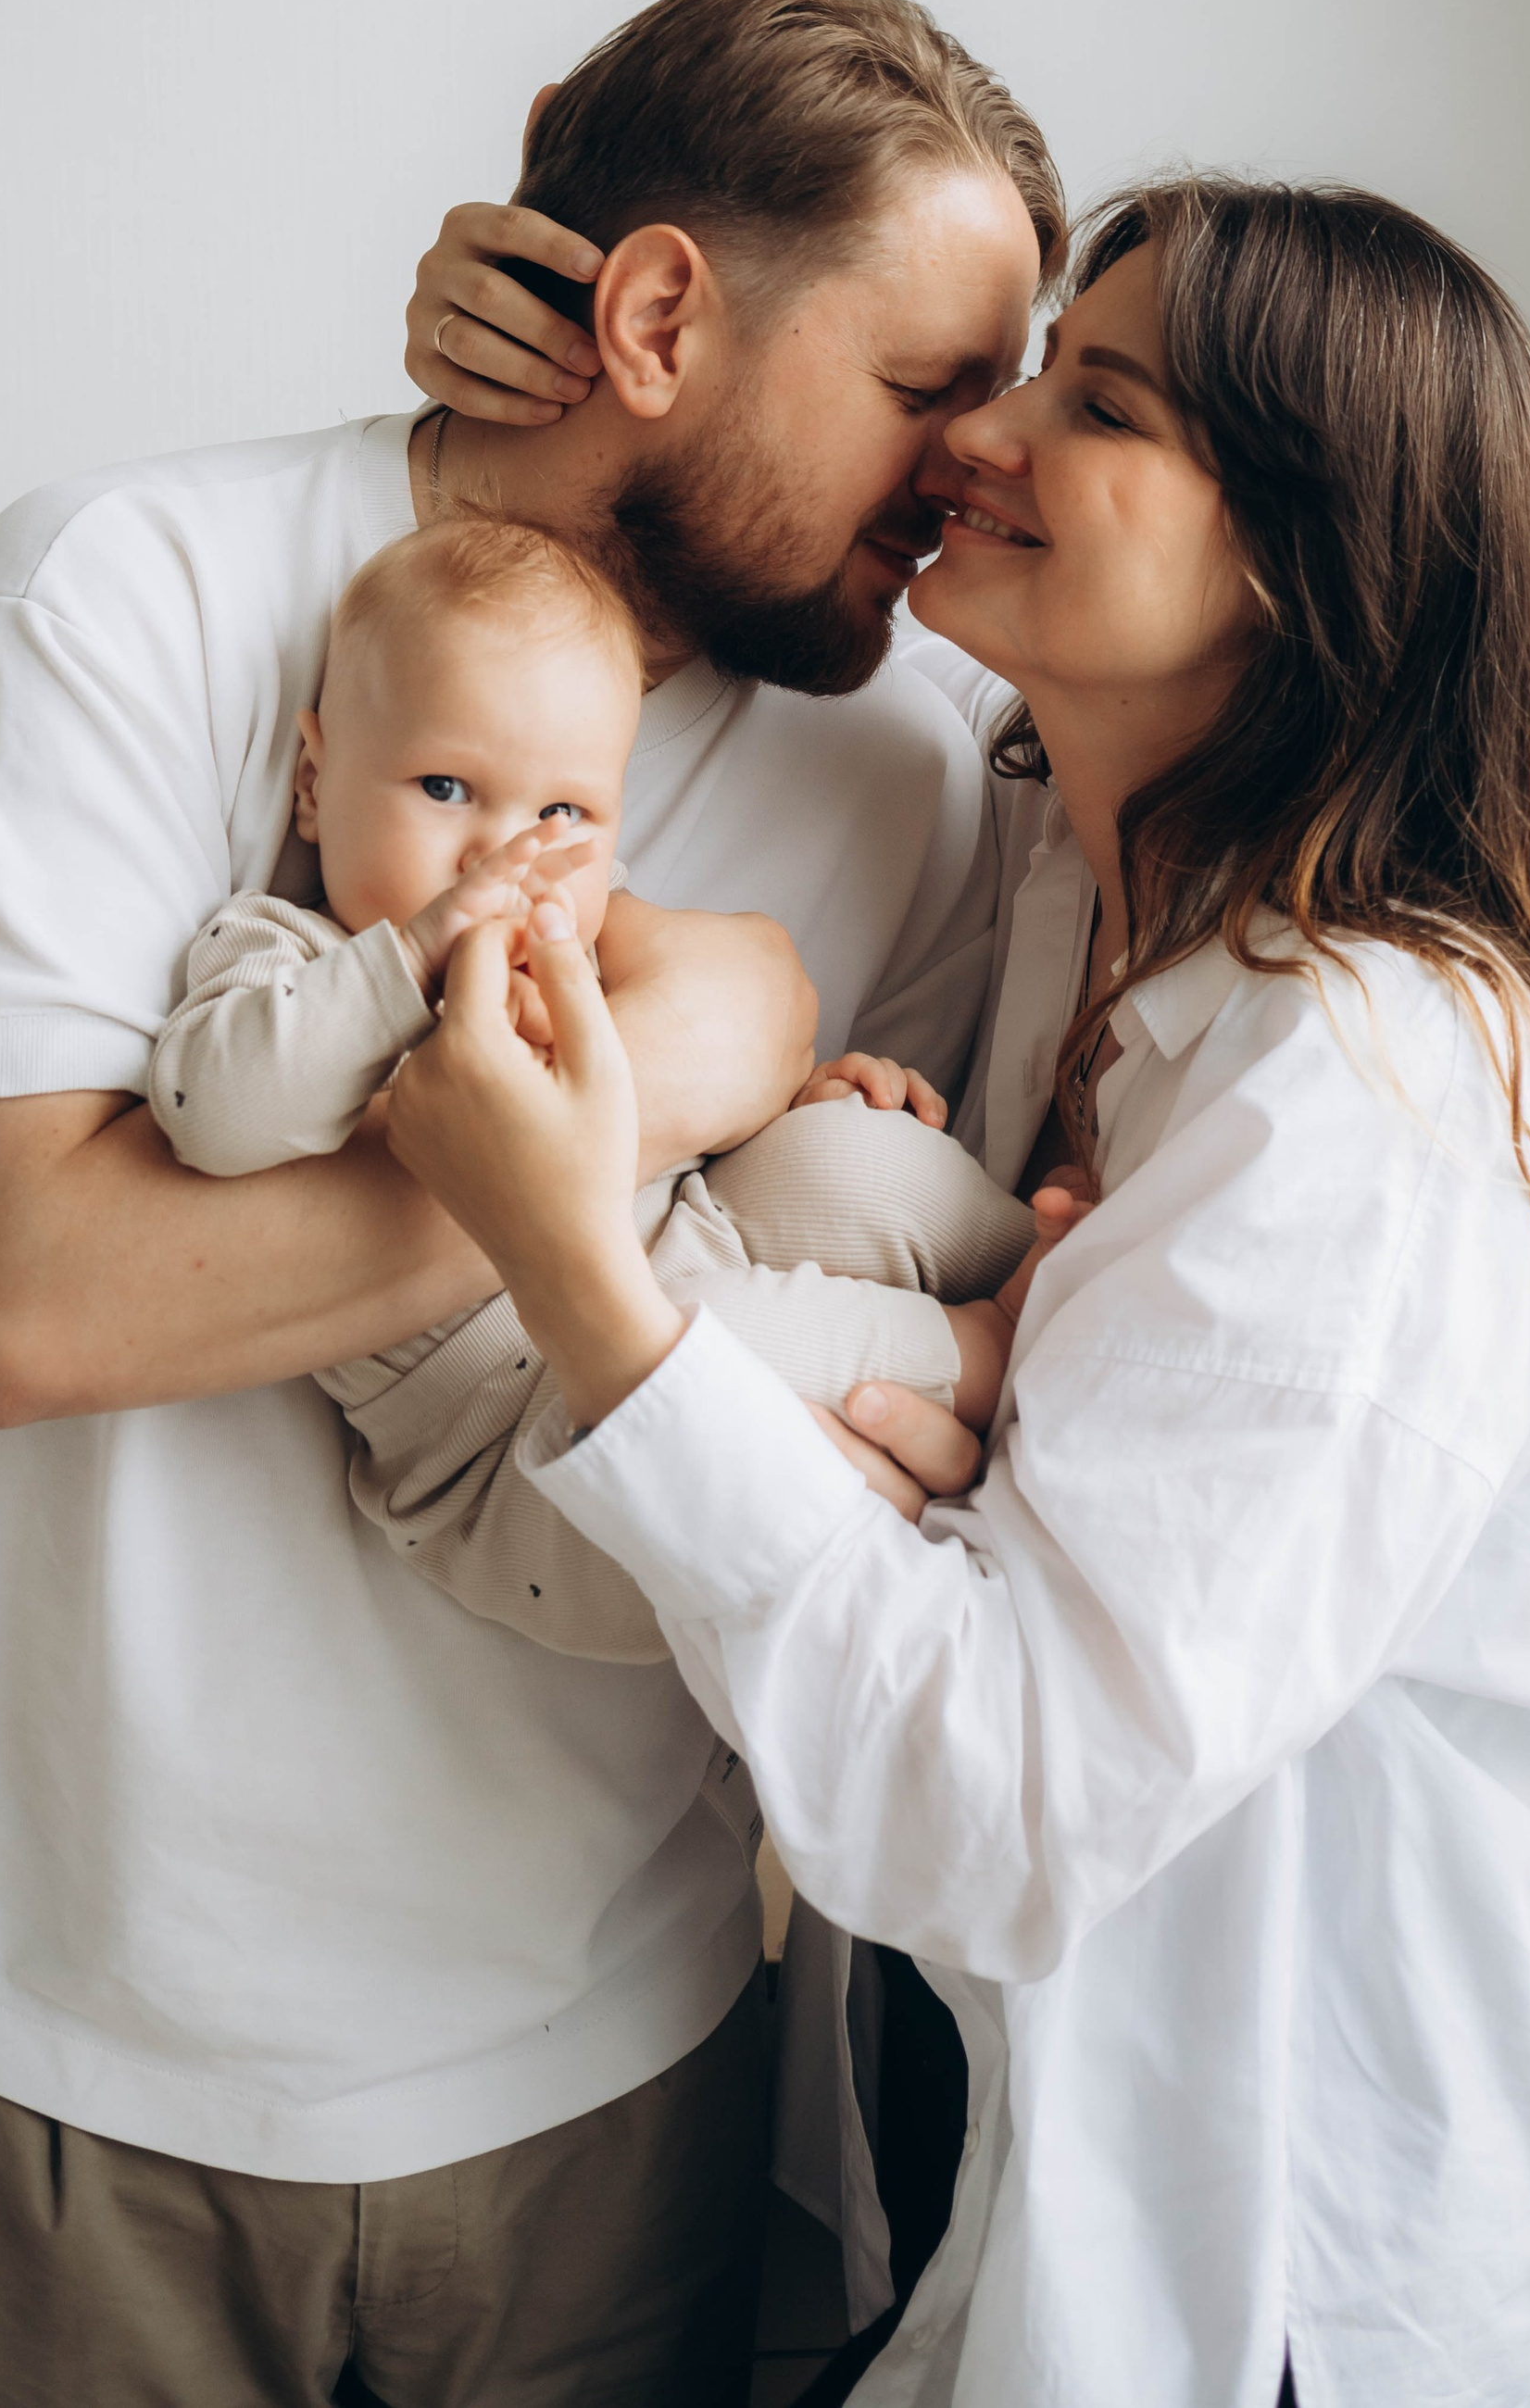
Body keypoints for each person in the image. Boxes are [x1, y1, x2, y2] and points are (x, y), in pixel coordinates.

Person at [383, 172, 1530, 2408]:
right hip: (964, 2142)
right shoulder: (1065, 877)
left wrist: (580, 1277)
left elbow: (998, 1799)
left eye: (1100, 404)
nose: (979, 432)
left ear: (1303, 555)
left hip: (1237, 2266)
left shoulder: (1370, 1092)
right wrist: (527, 389)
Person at [0, 0, 1058, 2407]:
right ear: (658, 318)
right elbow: (25, 1302)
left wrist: (748, 1091)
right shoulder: (123, 595)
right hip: (51, 2072)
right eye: (925, 382)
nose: (971, 459)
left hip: (620, 2063)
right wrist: (659, 1079)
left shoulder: (911, 775)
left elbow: (830, 1403)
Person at [151, 508, 1035, 1659]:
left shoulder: (600, 938)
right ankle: (993, 1348)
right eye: (444, 787)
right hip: (521, 1456)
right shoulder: (291, 954)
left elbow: (704, 1104)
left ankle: (1042, 1261)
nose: (499, 856)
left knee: (851, 1159)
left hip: (687, 1246)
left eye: (561, 813)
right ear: (315, 783)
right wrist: (405, 964)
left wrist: (804, 1106)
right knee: (714, 1348)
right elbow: (213, 1116)